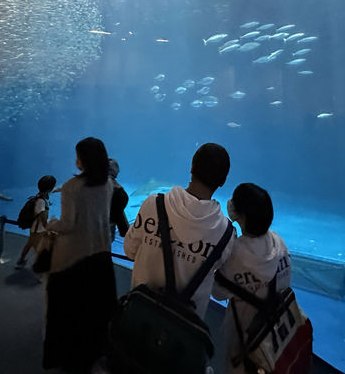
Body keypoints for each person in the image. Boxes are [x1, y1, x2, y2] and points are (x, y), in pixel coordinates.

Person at [123, 142, 235, 319]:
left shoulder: (153, 204)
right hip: (184, 334)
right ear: (223, 181)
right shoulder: (227, 233)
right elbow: (219, 289)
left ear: (191, 168)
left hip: (138, 317)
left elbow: (129, 250)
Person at [43, 137, 118, 372]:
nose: (75, 160)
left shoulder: (71, 187)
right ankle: (95, 355)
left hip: (73, 258)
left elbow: (68, 224)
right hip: (101, 256)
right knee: (95, 310)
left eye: (78, 155)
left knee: (70, 310)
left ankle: (70, 358)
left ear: (83, 160)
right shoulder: (107, 183)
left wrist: (51, 223)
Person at [212, 183, 292, 374]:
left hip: (244, 340)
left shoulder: (234, 254)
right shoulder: (278, 242)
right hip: (276, 334)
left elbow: (217, 292)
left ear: (243, 215)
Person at [15, 174, 57, 270]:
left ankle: (21, 260)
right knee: (40, 251)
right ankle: (40, 271)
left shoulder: (39, 196)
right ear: (50, 188)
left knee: (29, 243)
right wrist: (48, 228)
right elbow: (41, 217)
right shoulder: (41, 201)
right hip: (38, 231)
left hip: (34, 229)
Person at [109, 158, 129, 239]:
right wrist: (125, 231)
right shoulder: (118, 191)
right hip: (106, 230)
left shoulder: (87, 184)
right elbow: (118, 213)